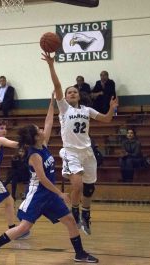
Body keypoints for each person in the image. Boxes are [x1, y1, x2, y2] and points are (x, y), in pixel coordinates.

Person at [0, 94, 98, 264]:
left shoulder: (42, 145)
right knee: (24, 227)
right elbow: (42, 179)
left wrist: (52, 103)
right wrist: (60, 194)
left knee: (70, 221)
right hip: (38, 194)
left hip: (49, 196)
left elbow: (49, 122)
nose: (43, 131)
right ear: (36, 137)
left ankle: (80, 253)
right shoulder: (34, 155)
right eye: (40, 130)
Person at [43, 52, 118, 236]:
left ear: (79, 95)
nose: (72, 93)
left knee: (89, 188)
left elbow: (107, 120)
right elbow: (58, 85)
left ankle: (86, 215)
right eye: (70, 92)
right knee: (77, 185)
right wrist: (52, 65)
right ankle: (75, 212)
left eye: (75, 91)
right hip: (71, 152)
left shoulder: (87, 110)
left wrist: (112, 108)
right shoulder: (63, 108)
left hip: (87, 152)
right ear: (66, 97)